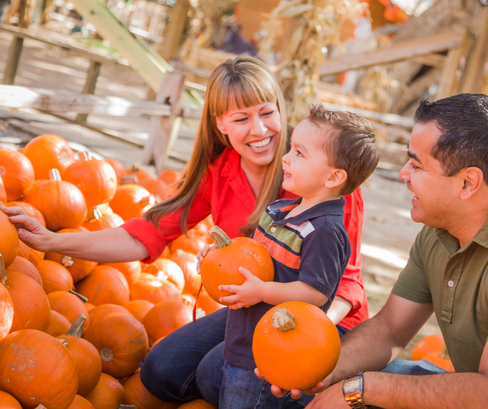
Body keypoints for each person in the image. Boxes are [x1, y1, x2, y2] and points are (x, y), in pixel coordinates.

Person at [1, 56, 367, 406]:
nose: (259, 130)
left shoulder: (323, 177)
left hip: (319, 320)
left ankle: (322, 398)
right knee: (161, 371)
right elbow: (143, 234)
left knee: (215, 373)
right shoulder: (220, 172)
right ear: (221, 124)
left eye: (267, 113)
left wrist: (303, 345)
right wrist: (51, 239)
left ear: (280, 110)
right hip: (254, 306)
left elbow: (345, 285)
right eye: (241, 118)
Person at [262, 93, 488, 409]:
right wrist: (321, 371)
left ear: (468, 183)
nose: (403, 174)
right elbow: (390, 328)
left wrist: (362, 388)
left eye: (417, 165)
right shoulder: (435, 235)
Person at [196, 104, 379, 409]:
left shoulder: (324, 232)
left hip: (271, 349)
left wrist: (263, 291)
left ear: (334, 177)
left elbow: (315, 293)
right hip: (245, 334)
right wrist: (222, 255)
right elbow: (258, 257)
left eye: (299, 154)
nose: (285, 158)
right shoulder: (281, 210)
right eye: (291, 149)